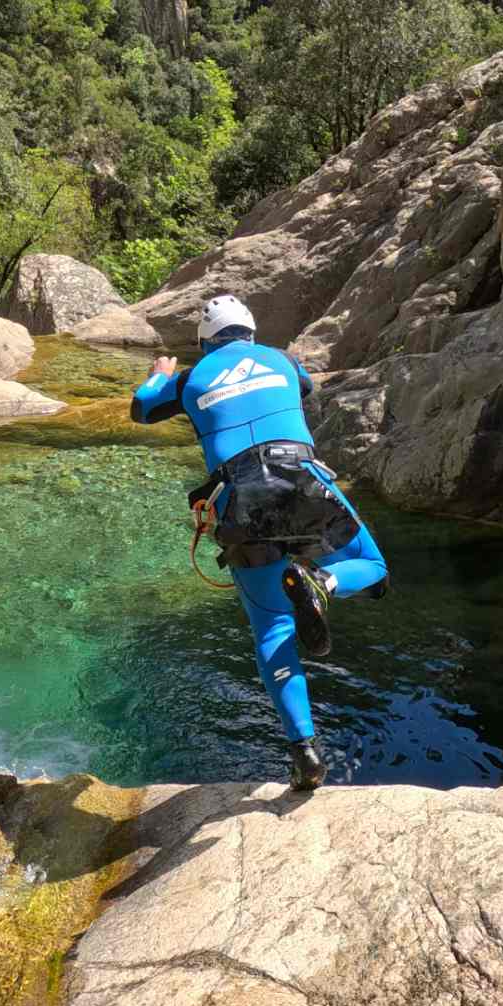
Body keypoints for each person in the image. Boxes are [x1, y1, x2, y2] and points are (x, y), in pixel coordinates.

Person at [130, 294, 388, 790]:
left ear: (206, 342)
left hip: (238, 493)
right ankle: (325, 582)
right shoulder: (282, 360)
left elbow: (141, 409)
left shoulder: (189, 379)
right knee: (373, 567)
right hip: (303, 477)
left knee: (272, 628)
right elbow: (307, 388)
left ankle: (305, 752)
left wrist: (160, 373)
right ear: (250, 329)